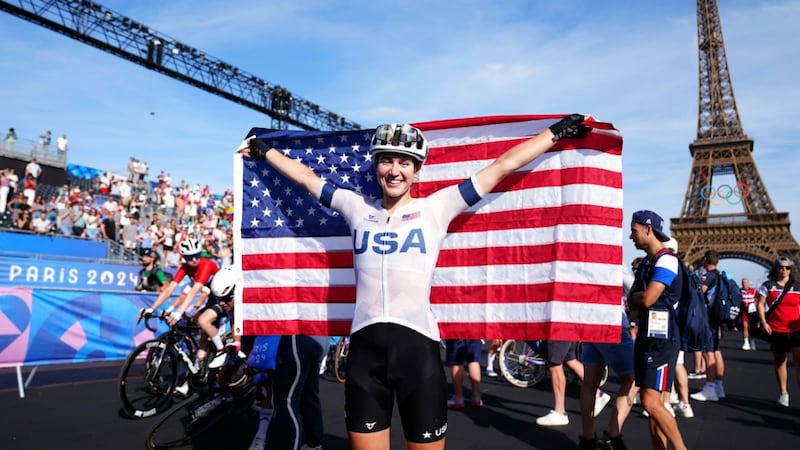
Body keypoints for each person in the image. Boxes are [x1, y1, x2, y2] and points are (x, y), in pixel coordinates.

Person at [240, 114, 589, 450]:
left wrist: (555, 133)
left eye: (405, 162)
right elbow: (305, 178)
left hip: (418, 353)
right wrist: (264, 151)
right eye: (387, 161)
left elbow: (502, 167)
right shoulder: (354, 205)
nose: (395, 171)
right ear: (376, 165)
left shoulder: (437, 207)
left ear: (417, 170)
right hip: (364, 357)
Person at [627, 210, 688, 450]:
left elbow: (646, 298)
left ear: (648, 229)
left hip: (662, 341)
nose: (631, 236)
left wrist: (637, 299)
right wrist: (637, 299)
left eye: (634, 230)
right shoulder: (648, 264)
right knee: (652, 406)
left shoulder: (667, 260)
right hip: (648, 336)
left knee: (651, 402)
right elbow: (635, 299)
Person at [578, 294, 638, 449]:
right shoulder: (620, 268)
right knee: (634, 378)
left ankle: (587, 439)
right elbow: (636, 292)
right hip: (612, 322)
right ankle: (612, 436)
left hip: (589, 320)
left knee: (590, 383)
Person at [756, 256, 800, 408]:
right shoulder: (768, 286)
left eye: (787, 268)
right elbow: (760, 304)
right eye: (781, 267)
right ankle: (784, 393)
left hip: (796, 329)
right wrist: (763, 322)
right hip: (777, 329)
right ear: (776, 269)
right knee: (780, 362)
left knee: (799, 361)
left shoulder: (797, 286)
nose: (784, 270)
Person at [536, 340, 610, 427]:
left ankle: (559, 412)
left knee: (554, 363)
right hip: (568, 329)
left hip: (559, 329)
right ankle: (597, 393)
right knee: (569, 359)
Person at [690, 250, 726, 402]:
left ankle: (710, 388)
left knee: (708, 353)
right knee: (716, 352)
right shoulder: (720, 276)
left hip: (708, 319)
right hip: (717, 318)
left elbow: (698, 295)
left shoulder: (707, 276)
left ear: (705, 259)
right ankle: (718, 386)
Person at [445, 339, 484, 409]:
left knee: (457, 362)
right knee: (473, 360)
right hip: (474, 330)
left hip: (457, 331)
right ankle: (476, 397)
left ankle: (458, 398)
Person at [740, 277, 758, 351]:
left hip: (752, 312)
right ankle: (746, 342)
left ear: (748, 283)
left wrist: (754, 304)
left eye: (746, 282)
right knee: (745, 326)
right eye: (743, 283)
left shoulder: (754, 291)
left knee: (752, 327)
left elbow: (759, 299)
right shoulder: (740, 291)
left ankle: (752, 341)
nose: (744, 284)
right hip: (744, 311)